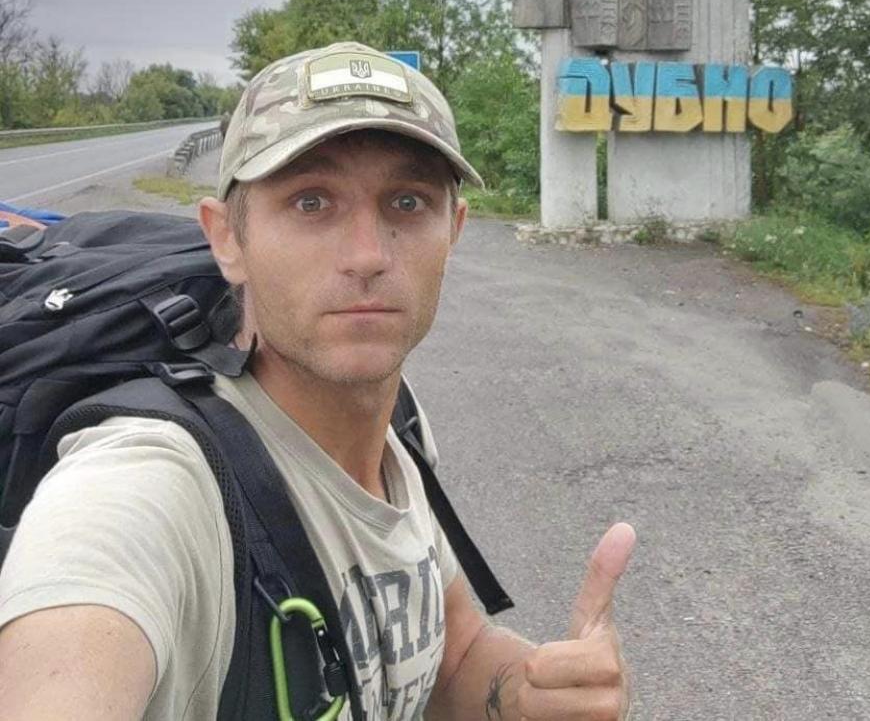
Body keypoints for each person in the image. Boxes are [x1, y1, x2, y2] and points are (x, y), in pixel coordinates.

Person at [0, 40, 634, 720]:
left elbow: (453, 654)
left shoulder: (398, 423)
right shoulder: (150, 485)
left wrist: (523, 693)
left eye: (408, 202)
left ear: (453, 230)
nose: (367, 255)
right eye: (310, 202)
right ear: (227, 239)